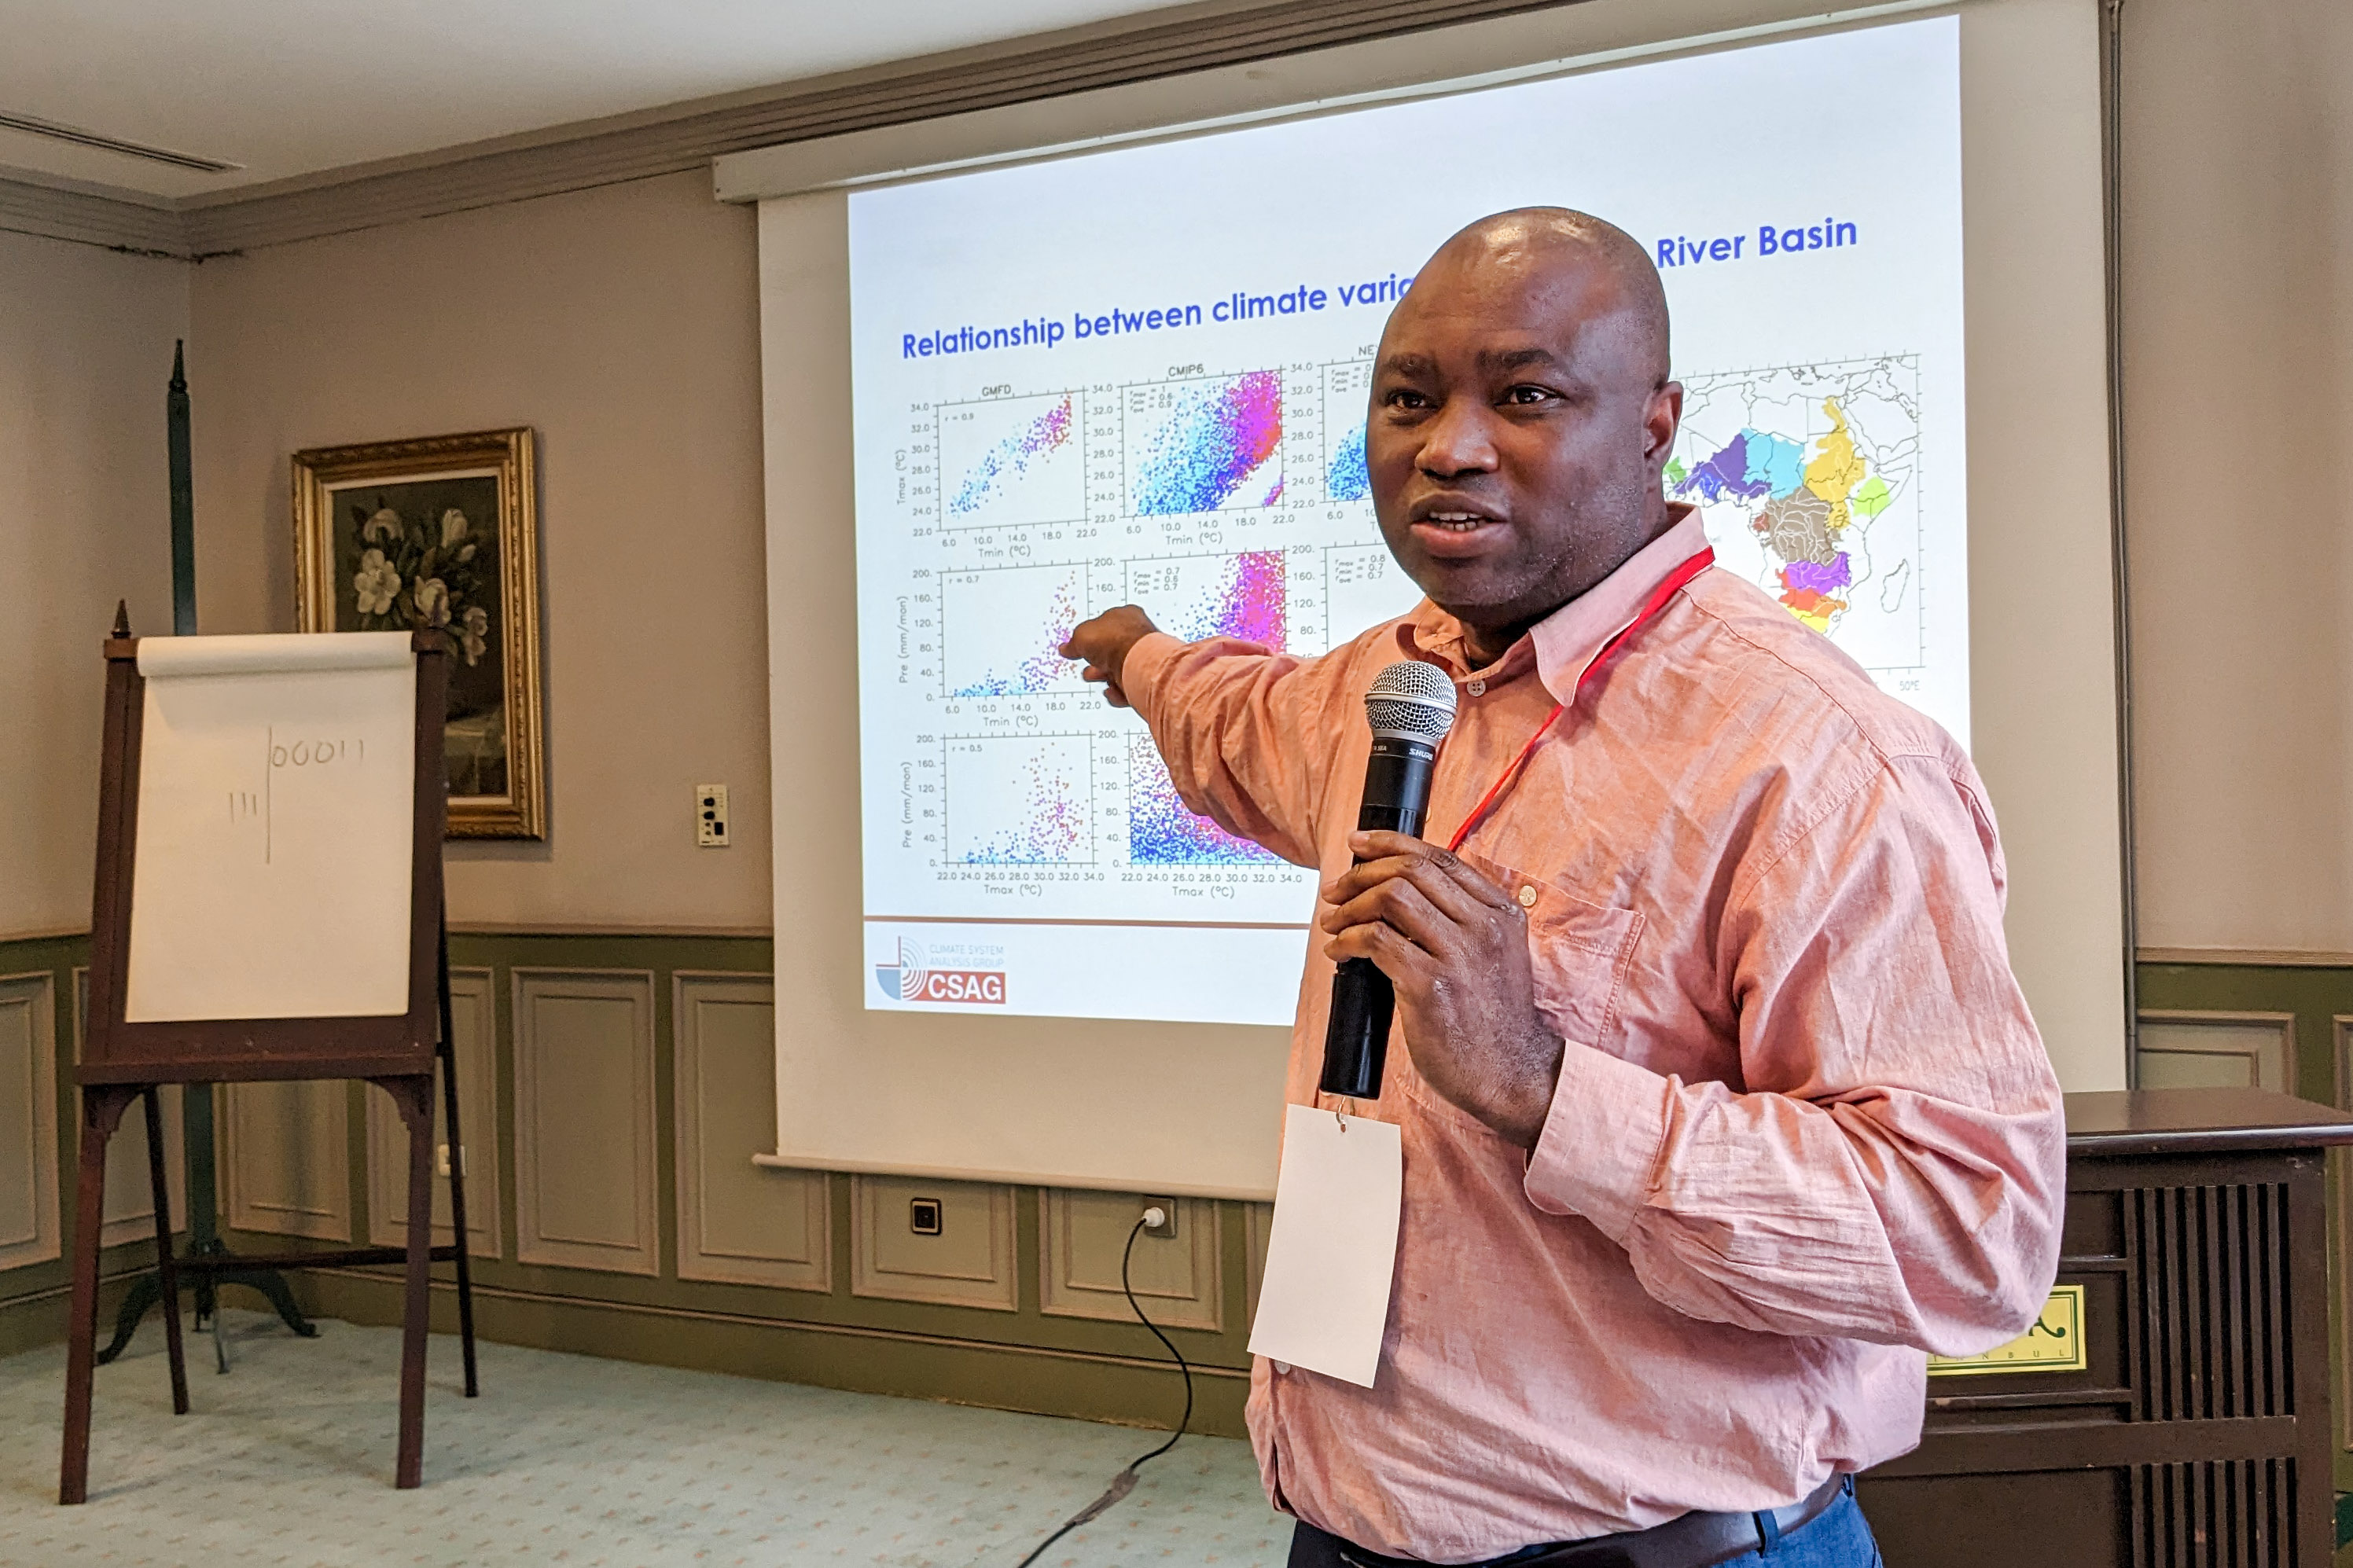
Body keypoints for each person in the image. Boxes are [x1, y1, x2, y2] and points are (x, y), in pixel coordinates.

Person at [1059, 208, 2065, 1568]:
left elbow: (1968, 1231)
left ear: (1655, 424)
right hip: (1345, 1525)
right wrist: (1134, 657)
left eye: (1525, 395)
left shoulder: (1820, 761)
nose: (1448, 445)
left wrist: (1542, 1086)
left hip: (1671, 1551)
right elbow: (1237, 719)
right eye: (1408, 399)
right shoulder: (1392, 686)